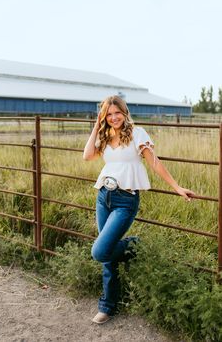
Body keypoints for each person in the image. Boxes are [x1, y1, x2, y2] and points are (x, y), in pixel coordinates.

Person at [83, 95, 194, 324]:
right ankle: (107, 305)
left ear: (125, 112)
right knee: (107, 257)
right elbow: (87, 156)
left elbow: (155, 162)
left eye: (117, 113)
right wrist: (96, 126)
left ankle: (133, 244)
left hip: (126, 200)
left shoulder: (136, 133)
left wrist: (176, 187)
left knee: (101, 251)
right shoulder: (104, 135)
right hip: (104, 195)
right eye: (109, 114)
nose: (113, 118)